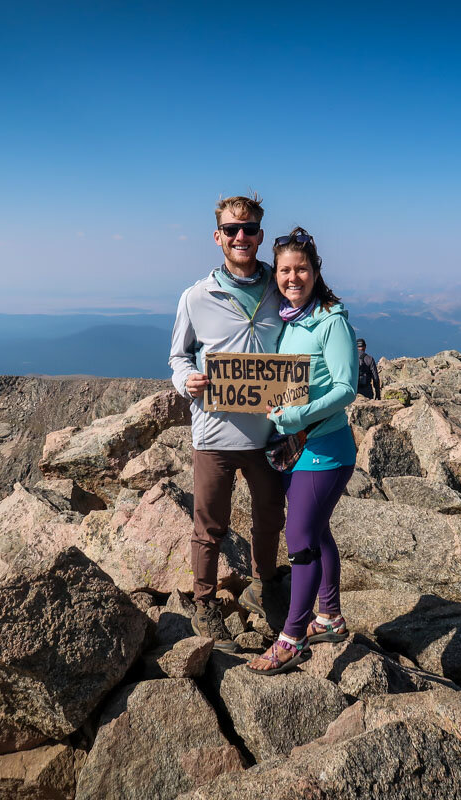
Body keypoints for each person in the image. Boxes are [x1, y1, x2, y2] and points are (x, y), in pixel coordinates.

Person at [169, 194, 286, 653]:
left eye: (250, 228)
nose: (242, 236)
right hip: (214, 433)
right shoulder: (197, 296)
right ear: (218, 236)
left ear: (260, 234)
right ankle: (203, 601)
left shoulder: (280, 289)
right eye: (232, 229)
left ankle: (265, 587)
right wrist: (186, 381)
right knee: (209, 525)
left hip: (269, 434)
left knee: (269, 518)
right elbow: (178, 355)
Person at [247, 227, 358, 674]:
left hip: (325, 448)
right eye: (285, 270)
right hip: (300, 448)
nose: (293, 277)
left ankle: (291, 637)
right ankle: (329, 616)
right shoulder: (292, 317)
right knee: (318, 531)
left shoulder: (331, 321)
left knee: (299, 540)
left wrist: (298, 415)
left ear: (316, 271)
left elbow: (347, 388)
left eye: (302, 269)